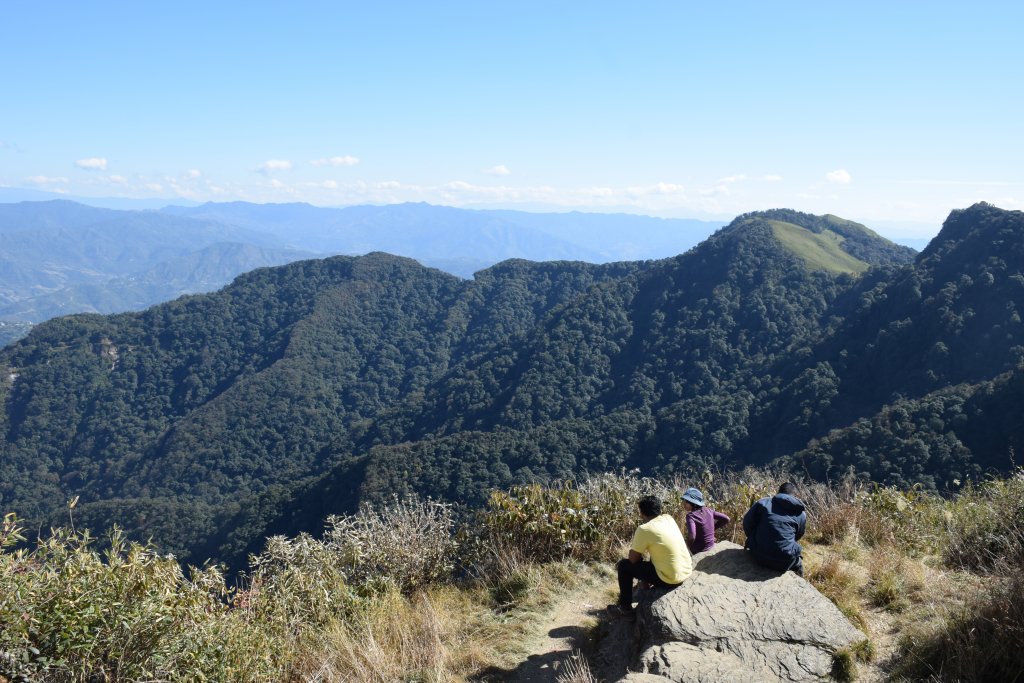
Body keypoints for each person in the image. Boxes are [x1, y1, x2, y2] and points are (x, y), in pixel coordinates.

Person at [608, 495, 692, 616]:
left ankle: (625, 609)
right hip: (685, 571)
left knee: (624, 566)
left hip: (670, 579)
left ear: (642, 513)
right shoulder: (668, 518)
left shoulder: (644, 529)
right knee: (656, 550)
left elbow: (633, 559)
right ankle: (644, 584)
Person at [742, 481, 807, 576]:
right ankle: (800, 583)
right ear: (795, 495)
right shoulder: (801, 514)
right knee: (798, 559)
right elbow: (798, 535)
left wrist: (754, 538)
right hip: (784, 561)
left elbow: (747, 523)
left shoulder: (763, 503)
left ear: (778, 492)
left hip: (757, 554)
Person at [681, 487, 730, 554]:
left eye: (686, 502)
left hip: (699, 549)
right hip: (710, 545)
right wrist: (712, 530)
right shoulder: (709, 510)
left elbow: (692, 536)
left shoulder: (691, 516)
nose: (683, 504)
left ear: (693, 503)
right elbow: (726, 519)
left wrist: (686, 548)